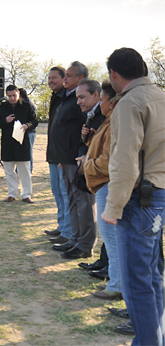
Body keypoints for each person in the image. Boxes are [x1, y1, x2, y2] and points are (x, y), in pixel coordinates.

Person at [102, 47, 165, 346]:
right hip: (158, 196)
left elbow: (124, 160)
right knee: (152, 276)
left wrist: (112, 207)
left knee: (137, 283)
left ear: (114, 74)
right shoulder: (161, 96)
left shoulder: (129, 103)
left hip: (140, 200)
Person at [78, 82, 122, 300]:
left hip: (107, 182)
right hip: (104, 182)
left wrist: (87, 165)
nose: (101, 104)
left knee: (112, 239)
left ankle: (117, 285)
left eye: (103, 100)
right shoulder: (109, 122)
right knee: (110, 238)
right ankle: (116, 283)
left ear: (111, 103)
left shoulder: (114, 124)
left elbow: (108, 160)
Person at [49, 61, 97, 259]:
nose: (65, 78)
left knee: (84, 201)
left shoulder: (82, 101)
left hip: (77, 159)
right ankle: (75, 239)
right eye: (65, 75)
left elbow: (84, 131)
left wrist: (81, 154)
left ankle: (85, 244)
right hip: (66, 158)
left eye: (69, 75)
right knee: (72, 200)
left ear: (81, 78)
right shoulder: (69, 98)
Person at [0, 85, 38, 203]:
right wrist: (5, 121)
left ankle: (26, 194)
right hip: (7, 142)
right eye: (9, 96)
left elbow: (34, 120)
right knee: (9, 170)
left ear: (18, 93)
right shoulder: (2, 107)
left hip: (22, 142)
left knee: (25, 170)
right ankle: (11, 193)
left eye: (14, 95)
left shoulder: (27, 106)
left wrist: (27, 125)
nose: (12, 98)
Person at [45, 66, 72, 245]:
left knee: (65, 193)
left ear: (64, 79)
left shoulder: (69, 98)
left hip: (63, 155)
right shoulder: (55, 97)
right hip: (53, 153)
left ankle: (68, 231)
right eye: (49, 78)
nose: (51, 81)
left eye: (55, 77)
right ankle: (62, 226)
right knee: (56, 191)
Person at [18, 88, 38, 173]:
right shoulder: (24, 103)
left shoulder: (29, 104)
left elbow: (33, 120)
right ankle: (19, 170)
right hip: (24, 131)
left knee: (29, 152)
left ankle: (29, 170)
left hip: (30, 131)